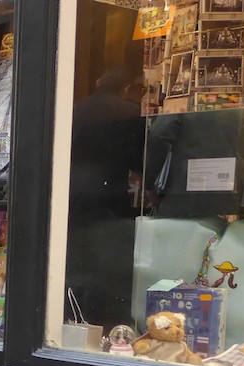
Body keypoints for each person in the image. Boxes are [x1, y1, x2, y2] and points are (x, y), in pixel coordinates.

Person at [66, 65, 146, 329]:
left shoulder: (74, 110)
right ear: (124, 88)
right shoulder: (130, 111)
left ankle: (76, 314)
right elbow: (138, 159)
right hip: (108, 192)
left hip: (73, 191)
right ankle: (104, 319)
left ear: (98, 82)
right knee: (108, 260)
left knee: (77, 255)